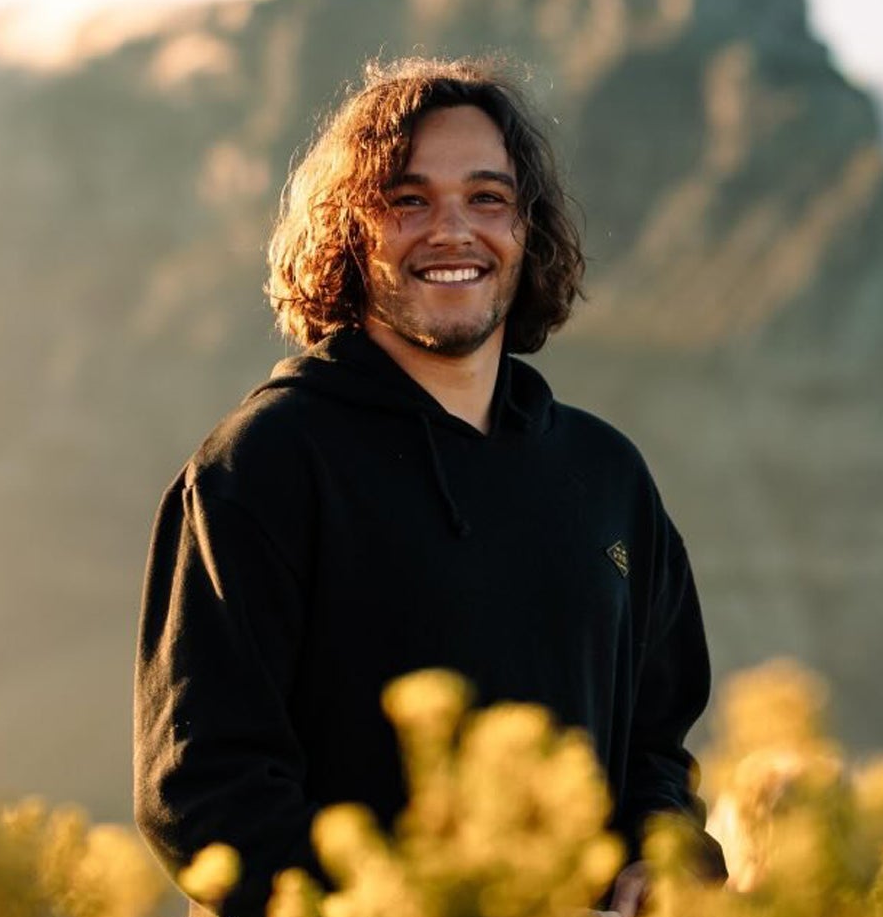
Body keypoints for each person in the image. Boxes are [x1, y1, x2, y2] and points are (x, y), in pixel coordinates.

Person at [134, 56, 721, 917]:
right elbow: (203, 786)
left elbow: (657, 744)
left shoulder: (606, 475)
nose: (453, 231)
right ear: (348, 232)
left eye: (487, 198)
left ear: (526, 229)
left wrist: (659, 848)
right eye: (408, 200)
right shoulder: (263, 464)